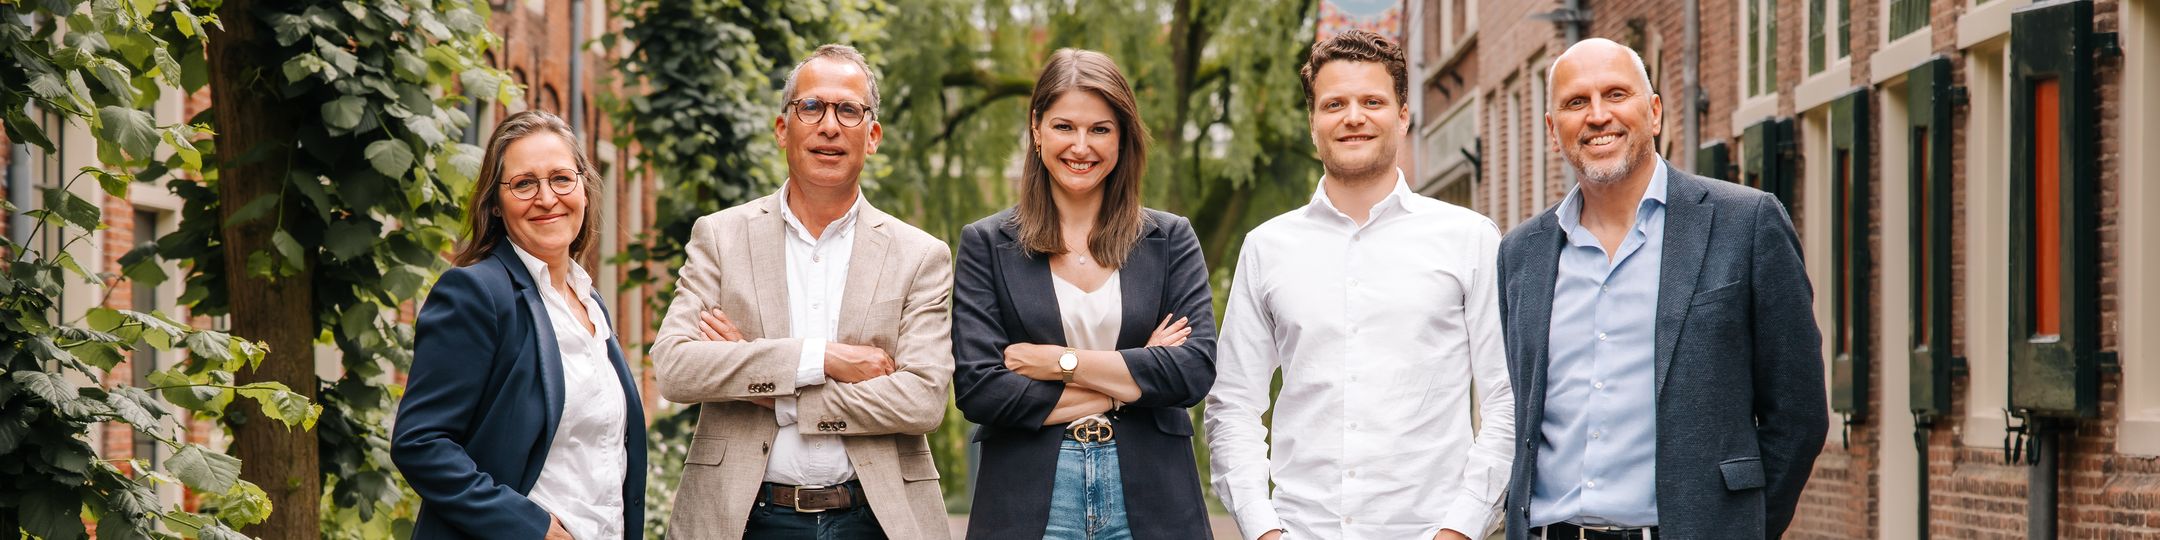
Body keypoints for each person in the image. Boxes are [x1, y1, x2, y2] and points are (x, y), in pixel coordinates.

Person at [1497, 38, 1827, 540]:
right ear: (1552, 130)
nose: (1598, 115)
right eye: (1576, 102)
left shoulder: (1747, 223)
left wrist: (1743, 529)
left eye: (1615, 94)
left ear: (1653, 113)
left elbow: (1798, 416)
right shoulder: (1521, 252)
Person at [1203, 29, 1515, 540]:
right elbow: (1233, 404)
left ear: (1404, 115)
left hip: (1431, 531)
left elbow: (1506, 401)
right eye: (1334, 104)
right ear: (1312, 123)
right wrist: (1263, 530)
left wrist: (1460, 529)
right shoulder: (1267, 248)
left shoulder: (1470, 239)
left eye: (1372, 101)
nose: (1353, 117)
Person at [648, 44, 954, 540]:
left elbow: (921, 401)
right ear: (782, 128)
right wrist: (822, 359)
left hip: (875, 518)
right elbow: (677, 368)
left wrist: (777, 394)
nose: (829, 126)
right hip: (743, 517)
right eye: (811, 107)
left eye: (848, 110)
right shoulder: (721, 238)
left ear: (872, 136)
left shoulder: (919, 255)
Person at [950, 48, 1218, 540]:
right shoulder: (986, 244)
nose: (1081, 145)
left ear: (1122, 137)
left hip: (1153, 496)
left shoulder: (1171, 238)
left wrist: (1060, 362)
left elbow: (1192, 371)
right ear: (1036, 128)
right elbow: (981, 390)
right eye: (1064, 127)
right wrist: (1132, 378)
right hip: (1027, 499)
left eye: (1100, 129)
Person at [393, 110, 647, 540]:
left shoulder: (590, 302)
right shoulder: (476, 293)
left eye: (561, 179)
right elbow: (421, 443)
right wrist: (533, 528)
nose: (547, 198)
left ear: (584, 188)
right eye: (524, 183)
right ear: (495, 202)